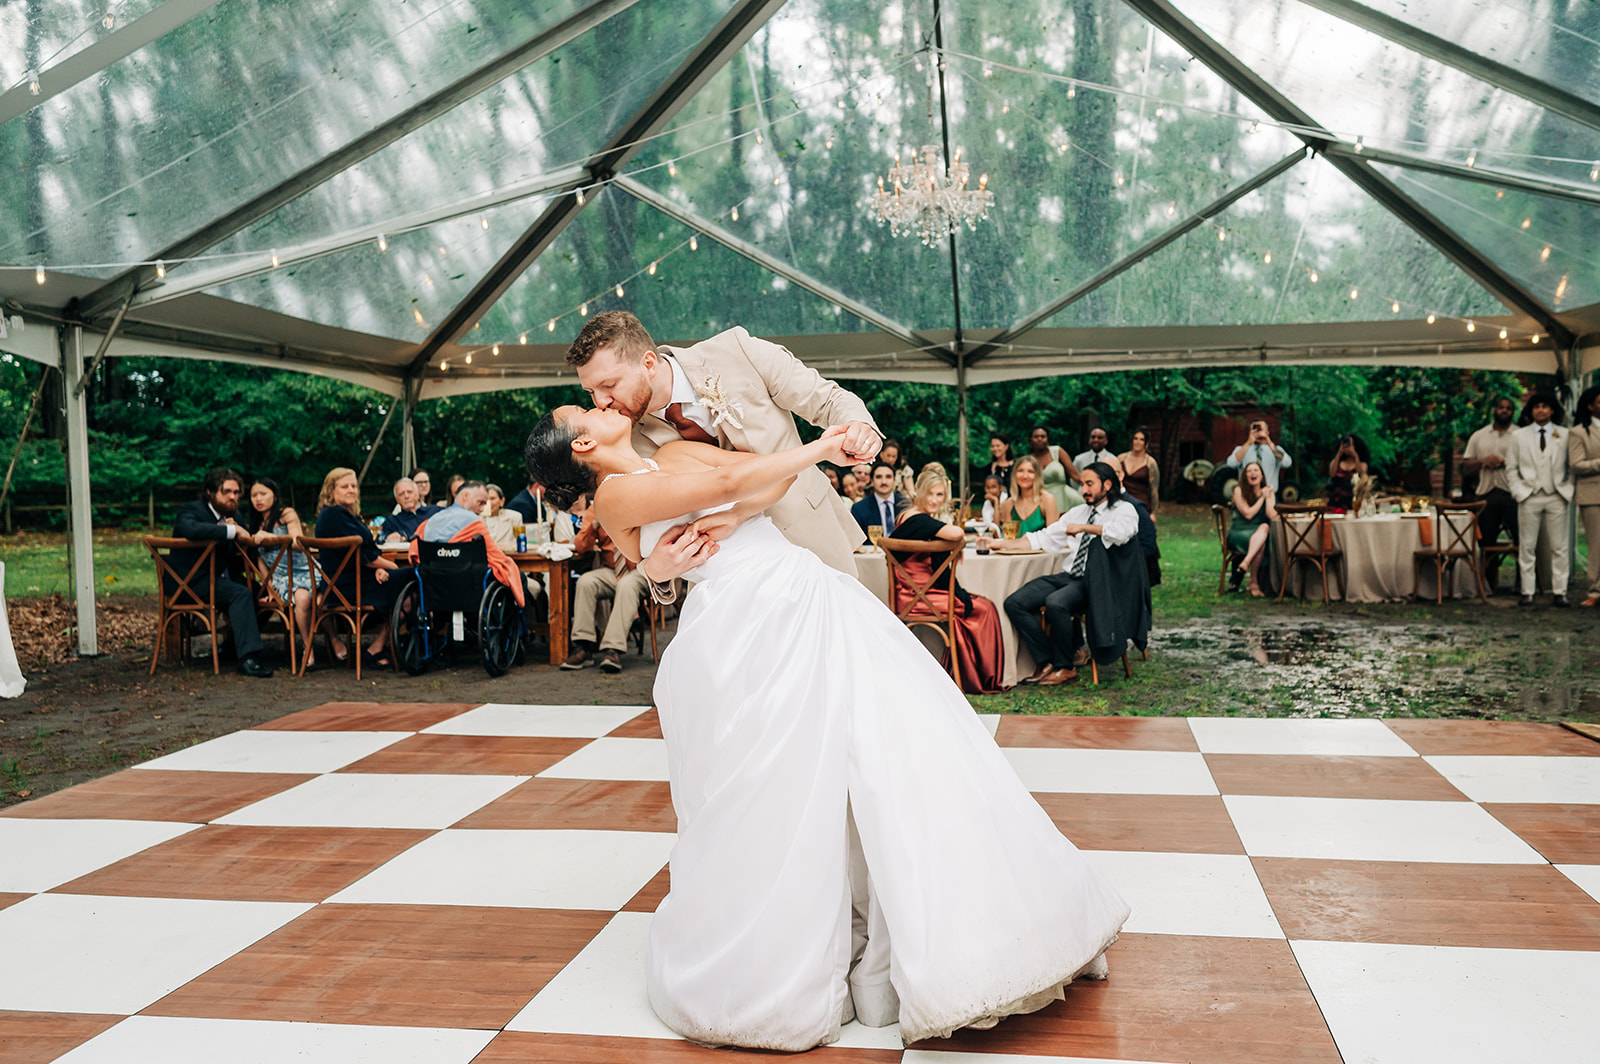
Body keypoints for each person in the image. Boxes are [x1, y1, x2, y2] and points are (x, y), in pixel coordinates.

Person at [524, 406, 1127, 1051]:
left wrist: (766, 486)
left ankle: (924, 940)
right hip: (748, 628)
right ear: (584, 441)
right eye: (581, 408)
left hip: (806, 594)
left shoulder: (668, 455)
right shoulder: (617, 492)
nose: (597, 403)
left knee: (898, 750)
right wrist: (819, 450)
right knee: (786, 789)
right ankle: (799, 961)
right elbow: (727, 489)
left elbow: (752, 479)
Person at [568, 311, 880, 584]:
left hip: (811, 535)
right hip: (728, 577)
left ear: (649, 363)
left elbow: (826, 400)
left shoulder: (737, 350)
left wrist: (859, 427)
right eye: (591, 391)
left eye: (608, 386)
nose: (600, 402)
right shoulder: (625, 442)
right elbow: (646, 537)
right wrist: (655, 573)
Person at [985, 463, 1139, 687]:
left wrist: (1085, 528)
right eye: (1081, 484)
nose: (1083, 490)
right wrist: (1000, 543)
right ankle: (1047, 660)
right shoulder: (1079, 512)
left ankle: (1066, 667)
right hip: (1069, 575)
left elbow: (1121, 533)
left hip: (1098, 582)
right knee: (1015, 602)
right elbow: (1043, 537)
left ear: (1107, 484)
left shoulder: (1124, 510)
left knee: (1056, 603)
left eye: (1089, 484)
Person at [890, 470, 1005, 693]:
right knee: (985, 608)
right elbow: (954, 533)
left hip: (913, 592)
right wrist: (955, 538)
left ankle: (962, 670)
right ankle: (979, 677)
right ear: (920, 493)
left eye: (940, 495)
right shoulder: (918, 519)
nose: (934, 500)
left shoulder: (908, 517)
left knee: (980, 604)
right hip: (918, 596)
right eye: (930, 493)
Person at [171, 468, 273, 678]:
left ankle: (231, 646)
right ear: (210, 492)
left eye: (236, 493)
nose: (232, 497)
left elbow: (243, 548)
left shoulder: (236, 515)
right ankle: (248, 659)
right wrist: (230, 531)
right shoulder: (192, 511)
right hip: (191, 582)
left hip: (221, 577)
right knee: (239, 593)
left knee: (263, 593)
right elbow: (190, 529)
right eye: (226, 491)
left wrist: (253, 537)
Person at [312, 467, 411, 666]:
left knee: (409, 583)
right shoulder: (334, 516)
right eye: (344, 486)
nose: (351, 490)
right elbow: (365, 556)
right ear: (331, 491)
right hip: (347, 588)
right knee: (416, 578)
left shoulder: (345, 515)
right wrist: (389, 565)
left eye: (354, 486)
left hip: (353, 581)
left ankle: (378, 646)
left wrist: (379, 567)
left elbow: (362, 555)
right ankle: (378, 646)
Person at [409, 479, 524, 608]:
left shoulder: (430, 522)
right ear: (465, 496)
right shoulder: (474, 522)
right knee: (517, 576)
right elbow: (496, 555)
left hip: (436, 586)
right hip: (469, 588)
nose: (482, 509)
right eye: (480, 503)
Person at [562, 513, 651, 674]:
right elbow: (580, 546)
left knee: (626, 585)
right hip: (610, 570)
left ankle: (612, 649)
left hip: (640, 568)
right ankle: (583, 646)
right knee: (585, 582)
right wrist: (593, 526)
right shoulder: (597, 507)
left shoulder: (639, 500)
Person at [1508, 392, 1572, 607]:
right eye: (1537, 407)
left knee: (1559, 546)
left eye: (1545, 406)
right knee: (1527, 545)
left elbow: (1571, 465)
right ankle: (1527, 591)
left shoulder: (1565, 434)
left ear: (1552, 410)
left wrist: (1567, 489)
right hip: (1529, 495)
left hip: (1556, 495)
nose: (1541, 410)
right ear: (1531, 410)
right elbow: (1511, 468)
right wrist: (1519, 491)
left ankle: (1560, 591)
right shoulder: (1519, 436)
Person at [245, 476, 314, 668]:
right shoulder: (254, 524)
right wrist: (269, 588)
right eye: (254, 495)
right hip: (282, 578)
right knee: (302, 599)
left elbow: (298, 542)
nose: (258, 499)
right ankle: (309, 648)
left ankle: (334, 640)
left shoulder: (286, 514)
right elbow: (259, 562)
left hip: (304, 568)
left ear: (274, 496)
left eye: (263, 494)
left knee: (319, 597)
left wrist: (271, 537)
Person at [1463, 396, 1520, 592]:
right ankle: (1487, 585)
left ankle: (1522, 586)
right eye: (1501, 407)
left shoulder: (1520, 435)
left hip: (1513, 494)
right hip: (1486, 493)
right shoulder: (1478, 436)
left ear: (1513, 412)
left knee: (1522, 540)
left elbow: (1532, 465)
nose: (1505, 411)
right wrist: (1483, 462)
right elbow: (1465, 467)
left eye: (1509, 408)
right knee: (1485, 541)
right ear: (1494, 410)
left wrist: (1507, 462)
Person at [1569, 385, 1600, 608]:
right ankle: (1595, 590)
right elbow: (1576, 464)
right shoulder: (1579, 432)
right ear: (1590, 406)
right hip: (1592, 494)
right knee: (1596, 544)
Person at [1228, 461, 1277, 597]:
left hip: (1257, 533)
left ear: (1262, 475)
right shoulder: (1238, 491)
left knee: (1265, 527)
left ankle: (1246, 563)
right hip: (1239, 533)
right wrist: (1261, 498)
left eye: (1256, 470)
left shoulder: (1266, 491)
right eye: (1249, 471)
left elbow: (1271, 515)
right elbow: (1248, 514)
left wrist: (1269, 497)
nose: (1253, 473)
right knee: (1261, 542)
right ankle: (1253, 582)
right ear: (1245, 476)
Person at [1025, 426, 1083, 513]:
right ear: (1030, 440)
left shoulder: (1057, 451)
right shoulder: (1028, 459)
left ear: (1048, 438)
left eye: (1043, 436)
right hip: (1040, 498)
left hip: (1063, 496)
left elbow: (1074, 474)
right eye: (1036, 437)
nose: (1039, 439)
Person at [1225, 419, 1293, 490]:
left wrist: (1269, 442)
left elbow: (1287, 463)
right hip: (1247, 495)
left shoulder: (1275, 449)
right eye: (1255, 430)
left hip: (1269, 494)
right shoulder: (1241, 449)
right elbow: (1231, 464)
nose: (1258, 433)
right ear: (1250, 433)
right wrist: (1249, 443)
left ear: (1267, 433)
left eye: (1260, 429)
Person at [999, 455, 1059, 535]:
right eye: (1020, 471)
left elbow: (1054, 536)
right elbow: (1008, 538)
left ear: (1037, 475)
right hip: (1014, 547)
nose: (1025, 476)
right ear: (1014, 474)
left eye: (1030, 471)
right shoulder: (1009, 503)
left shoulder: (1047, 499)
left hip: (1041, 547)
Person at [851, 462, 907, 537]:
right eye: (878, 477)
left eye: (888, 477)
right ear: (871, 481)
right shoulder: (859, 508)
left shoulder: (906, 504)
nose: (884, 482)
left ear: (894, 480)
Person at [384, 477, 438, 542]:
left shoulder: (435, 511)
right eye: (401, 494)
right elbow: (384, 541)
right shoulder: (392, 521)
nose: (406, 496)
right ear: (397, 499)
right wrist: (393, 537)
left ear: (417, 495)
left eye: (409, 492)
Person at [1117, 428, 1159, 512]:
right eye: (1135, 438)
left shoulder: (1150, 463)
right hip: (1123, 501)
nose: (1137, 442)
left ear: (1146, 443)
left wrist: (1153, 512)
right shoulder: (1121, 458)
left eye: (1141, 439)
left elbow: (1154, 489)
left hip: (1141, 503)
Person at [1324, 436, 1368, 514]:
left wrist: (1355, 455)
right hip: (1336, 501)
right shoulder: (1338, 463)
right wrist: (1339, 453)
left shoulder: (1362, 464)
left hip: (1353, 500)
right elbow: (1332, 474)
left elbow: (1361, 474)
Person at [481, 483, 519, 553]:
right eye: (486, 499)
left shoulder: (514, 517)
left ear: (502, 501)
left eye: (492, 499)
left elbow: (519, 543)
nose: (489, 502)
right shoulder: (476, 519)